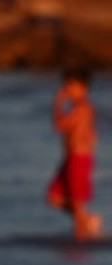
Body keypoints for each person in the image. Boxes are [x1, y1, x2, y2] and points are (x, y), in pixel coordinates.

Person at [48, 68, 100, 241]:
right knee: (53, 197)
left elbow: (60, 125)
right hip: (70, 158)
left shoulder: (82, 108)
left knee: (77, 202)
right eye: (66, 86)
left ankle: (80, 241)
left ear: (83, 87)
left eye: (71, 86)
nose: (67, 90)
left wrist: (57, 103)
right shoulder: (79, 108)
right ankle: (86, 220)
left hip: (78, 158)